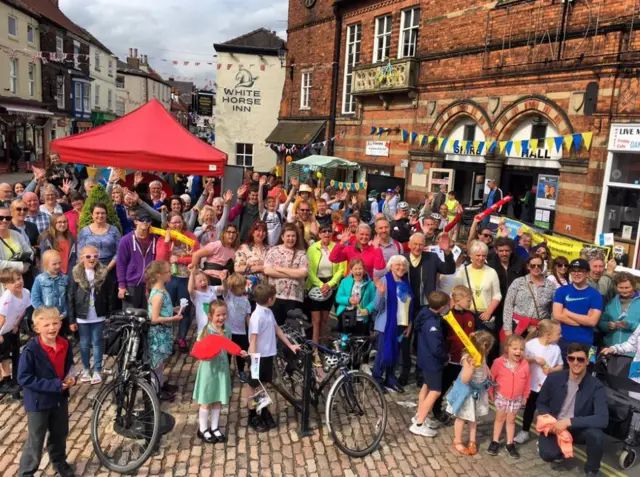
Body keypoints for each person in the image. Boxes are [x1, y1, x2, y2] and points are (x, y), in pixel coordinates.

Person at [17, 307, 75, 477]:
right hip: (38, 402)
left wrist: (71, 377)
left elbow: (69, 366)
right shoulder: (30, 351)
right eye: (47, 325)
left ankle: (59, 461)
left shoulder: (65, 343)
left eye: (55, 323)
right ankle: (26, 472)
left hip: (59, 399)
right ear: (37, 329)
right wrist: (55, 385)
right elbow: (24, 378)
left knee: (60, 433)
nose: (52, 328)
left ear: (60, 323)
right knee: (36, 439)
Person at [538, 342, 609, 477]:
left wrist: (569, 422)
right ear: (567, 360)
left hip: (577, 428)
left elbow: (602, 418)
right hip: (555, 425)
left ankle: (592, 470)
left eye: (580, 359)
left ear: (587, 361)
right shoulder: (554, 378)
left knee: (596, 435)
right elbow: (541, 403)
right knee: (548, 455)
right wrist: (549, 420)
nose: (576, 363)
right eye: (572, 358)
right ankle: (558, 452)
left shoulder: (596, 385)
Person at [243, 284, 301, 432]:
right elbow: (253, 340)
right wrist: (254, 362)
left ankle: (263, 409)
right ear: (270, 299)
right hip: (258, 357)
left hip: (268, 354)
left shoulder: (268, 312)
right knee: (253, 385)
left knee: (264, 383)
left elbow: (277, 329)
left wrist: (290, 345)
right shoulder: (257, 317)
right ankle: (252, 414)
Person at [402, 232, 456, 386]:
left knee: (422, 342)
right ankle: (405, 371)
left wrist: (447, 252)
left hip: (426, 307)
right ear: (410, 245)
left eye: (421, 244)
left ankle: (421, 374)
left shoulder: (431, 258)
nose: (418, 247)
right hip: (407, 307)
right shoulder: (403, 259)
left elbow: (448, 269)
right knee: (405, 340)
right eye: (415, 244)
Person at [192, 299, 247, 443]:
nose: (221, 318)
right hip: (209, 370)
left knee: (217, 399)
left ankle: (215, 427)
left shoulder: (227, 330)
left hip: (221, 369)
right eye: (218, 315)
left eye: (224, 314)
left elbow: (229, 346)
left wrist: (239, 351)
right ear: (210, 316)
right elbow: (199, 349)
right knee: (205, 399)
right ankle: (203, 428)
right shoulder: (206, 331)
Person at [67, 245, 113, 385]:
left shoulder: (103, 273)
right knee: (84, 343)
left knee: (97, 343)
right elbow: (71, 297)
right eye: (88, 256)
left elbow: (110, 295)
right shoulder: (75, 274)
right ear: (82, 258)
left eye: (95, 256)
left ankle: (98, 369)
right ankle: (86, 368)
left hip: (98, 314)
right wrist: (72, 319)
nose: (92, 259)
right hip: (82, 315)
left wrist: (109, 314)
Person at [445, 330, 495, 456]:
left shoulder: (481, 355)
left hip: (477, 392)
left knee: (474, 418)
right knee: (461, 418)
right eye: (487, 347)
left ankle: (472, 440)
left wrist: (487, 369)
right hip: (467, 394)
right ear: (483, 346)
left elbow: (484, 364)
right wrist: (472, 368)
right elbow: (464, 379)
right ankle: (457, 440)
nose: (488, 351)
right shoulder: (468, 359)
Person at [514, 319, 563, 445]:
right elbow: (522, 359)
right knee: (529, 409)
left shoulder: (556, 349)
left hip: (547, 386)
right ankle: (525, 431)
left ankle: (544, 436)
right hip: (532, 384)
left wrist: (551, 369)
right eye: (558, 333)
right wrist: (535, 359)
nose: (561, 336)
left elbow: (561, 366)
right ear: (548, 335)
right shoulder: (531, 344)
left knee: (546, 412)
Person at [156, 212, 200, 351]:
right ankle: (167, 339)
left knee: (184, 310)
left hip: (186, 278)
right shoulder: (163, 238)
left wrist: (180, 259)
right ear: (168, 224)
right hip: (169, 279)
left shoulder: (190, 236)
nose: (177, 225)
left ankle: (181, 338)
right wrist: (167, 242)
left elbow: (197, 256)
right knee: (167, 310)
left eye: (179, 222)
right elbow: (160, 259)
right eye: (174, 222)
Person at [410, 291, 449, 437]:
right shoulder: (433, 324)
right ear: (442, 307)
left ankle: (420, 415)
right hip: (432, 362)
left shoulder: (425, 313)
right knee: (435, 391)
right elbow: (436, 348)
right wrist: (445, 357)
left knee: (426, 387)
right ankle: (419, 423)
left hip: (424, 358)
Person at [372, 255, 413, 393]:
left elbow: (409, 305)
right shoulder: (385, 281)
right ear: (391, 266)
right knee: (383, 354)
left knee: (396, 353)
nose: (401, 268)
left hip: (402, 325)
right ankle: (377, 379)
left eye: (403, 265)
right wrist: (380, 293)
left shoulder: (405, 282)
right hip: (386, 325)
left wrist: (409, 324)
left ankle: (390, 379)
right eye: (398, 265)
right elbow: (377, 307)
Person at [488, 334, 530, 459]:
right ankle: (495, 441)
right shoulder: (498, 363)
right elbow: (491, 378)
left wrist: (525, 396)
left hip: (516, 398)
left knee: (511, 420)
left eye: (521, 349)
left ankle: (510, 444)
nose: (518, 352)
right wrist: (490, 391)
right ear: (507, 348)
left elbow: (527, 382)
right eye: (515, 348)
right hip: (501, 395)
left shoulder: (525, 365)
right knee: (500, 418)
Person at [306, 224, 346, 355]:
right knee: (316, 321)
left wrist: (329, 284)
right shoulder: (312, 248)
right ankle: (315, 350)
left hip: (331, 285)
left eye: (329, 231)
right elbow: (309, 270)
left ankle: (323, 346)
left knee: (325, 319)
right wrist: (320, 284)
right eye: (323, 231)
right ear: (319, 234)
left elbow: (341, 269)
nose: (326, 233)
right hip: (315, 285)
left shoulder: (337, 247)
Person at [146, 260, 183, 401]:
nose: (171, 274)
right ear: (159, 275)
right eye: (168, 271)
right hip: (157, 333)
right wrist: (173, 319)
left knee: (161, 362)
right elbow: (154, 318)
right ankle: (155, 391)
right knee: (156, 363)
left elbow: (163, 310)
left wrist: (173, 309)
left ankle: (160, 385)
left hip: (163, 331)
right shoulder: (158, 294)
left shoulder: (163, 290)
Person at [553, 258, 603, 358]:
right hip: (563, 340)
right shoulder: (561, 291)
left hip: (588, 343)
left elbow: (592, 321)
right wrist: (584, 321)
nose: (576, 274)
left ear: (588, 273)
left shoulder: (596, 295)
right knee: (561, 371)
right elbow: (557, 315)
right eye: (574, 271)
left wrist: (567, 313)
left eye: (580, 271)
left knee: (589, 371)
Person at [263, 223, 309, 325]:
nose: (291, 239)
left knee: (292, 330)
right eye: (288, 236)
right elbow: (268, 270)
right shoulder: (273, 250)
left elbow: (303, 272)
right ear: (282, 237)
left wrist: (280, 269)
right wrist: (292, 273)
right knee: (275, 327)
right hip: (275, 296)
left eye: (293, 236)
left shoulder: (301, 253)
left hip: (294, 297)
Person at [502, 254, 556, 339]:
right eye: (533, 265)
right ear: (528, 266)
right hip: (517, 326)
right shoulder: (518, 282)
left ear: (543, 267)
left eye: (539, 265)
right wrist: (507, 328)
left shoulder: (551, 286)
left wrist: (551, 329)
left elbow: (553, 311)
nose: (536, 268)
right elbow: (508, 305)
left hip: (539, 329)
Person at [454, 240, 502, 333]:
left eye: (483, 255)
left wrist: (489, 312)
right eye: (478, 255)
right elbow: (455, 293)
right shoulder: (463, 271)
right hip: (466, 314)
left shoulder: (492, 272)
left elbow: (497, 295)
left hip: (484, 316)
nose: (481, 258)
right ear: (471, 256)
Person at [116, 210, 158, 309]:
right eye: (142, 220)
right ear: (135, 221)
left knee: (148, 317)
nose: (145, 222)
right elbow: (121, 264)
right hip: (131, 284)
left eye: (148, 220)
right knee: (130, 317)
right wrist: (121, 286)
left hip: (150, 284)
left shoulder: (155, 239)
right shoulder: (126, 240)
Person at [0, 269, 30, 395]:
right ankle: (2, 383)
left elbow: (23, 309)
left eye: (19, 278)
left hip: (10, 328)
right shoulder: (7, 297)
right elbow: (1, 317)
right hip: (2, 328)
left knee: (8, 354)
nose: (18, 282)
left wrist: (17, 325)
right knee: (1, 356)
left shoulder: (26, 292)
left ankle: (9, 380)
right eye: (12, 282)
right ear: (5, 285)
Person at [219, 273, 252, 382]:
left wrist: (251, 330)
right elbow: (224, 288)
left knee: (241, 353)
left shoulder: (246, 301)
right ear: (232, 288)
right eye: (241, 288)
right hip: (229, 331)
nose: (243, 289)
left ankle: (241, 370)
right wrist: (223, 280)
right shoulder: (228, 296)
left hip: (241, 332)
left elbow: (247, 317)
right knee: (227, 352)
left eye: (243, 287)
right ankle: (226, 370)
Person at [598, 272, 640, 351]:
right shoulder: (612, 302)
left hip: (633, 351)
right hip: (611, 349)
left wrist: (629, 325)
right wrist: (608, 325)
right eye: (620, 287)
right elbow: (601, 322)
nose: (624, 291)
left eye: (627, 287)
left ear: (633, 286)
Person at [335, 257, 375, 338]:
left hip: (361, 318)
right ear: (351, 271)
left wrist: (368, 309)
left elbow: (374, 300)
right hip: (347, 317)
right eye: (355, 269)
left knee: (359, 341)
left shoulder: (370, 284)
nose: (358, 271)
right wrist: (348, 300)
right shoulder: (344, 282)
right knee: (345, 341)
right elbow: (338, 298)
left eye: (360, 268)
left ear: (364, 270)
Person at [77, 203, 121, 277]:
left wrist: (108, 268)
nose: (100, 216)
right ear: (92, 215)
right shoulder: (84, 231)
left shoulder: (114, 230)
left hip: (111, 268)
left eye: (103, 213)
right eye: (97, 213)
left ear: (106, 215)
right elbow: (80, 252)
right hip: (89, 268)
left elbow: (119, 251)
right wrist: (88, 267)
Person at [31, 250, 69, 329]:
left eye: (59, 263)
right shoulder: (39, 279)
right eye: (54, 264)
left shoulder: (65, 278)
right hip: (46, 319)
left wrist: (65, 313)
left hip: (61, 317)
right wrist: (45, 313)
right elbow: (35, 299)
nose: (58, 266)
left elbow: (68, 299)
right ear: (45, 264)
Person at [0, 205, 34, 277]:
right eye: (1, 218)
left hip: (20, 278)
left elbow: (29, 252)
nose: (4, 220)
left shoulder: (16, 234)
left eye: (8, 218)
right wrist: (20, 266)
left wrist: (26, 265)